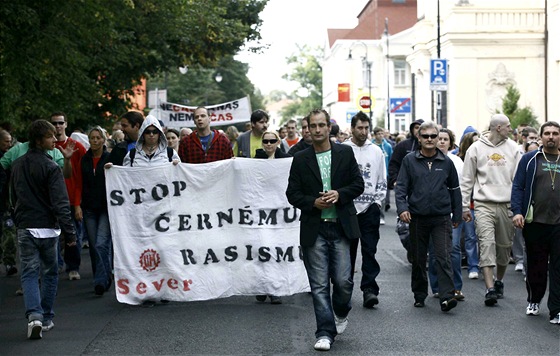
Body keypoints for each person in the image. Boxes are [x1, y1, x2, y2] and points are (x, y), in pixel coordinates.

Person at [286, 109, 364, 351]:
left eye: (322, 125)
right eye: (313, 126)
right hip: (315, 227)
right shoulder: (300, 159)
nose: (318, 130)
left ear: (329, 127)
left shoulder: (344, 152)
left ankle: (341, 311)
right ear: (307, 128)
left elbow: (358, 184)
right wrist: (312, 203)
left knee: (343, 281)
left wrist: (340, 194)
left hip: (341, 226)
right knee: (319, 284)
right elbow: (292, 193)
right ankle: (324, 332)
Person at [10, 120, 77, 339]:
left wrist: (16, 217)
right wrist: (70, 233)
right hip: (48, 228)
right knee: (49, 272)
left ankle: (34, 316)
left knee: (29, 273)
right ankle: (46, 317)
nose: (54, 140)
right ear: (40, 140)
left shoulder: (18, 164)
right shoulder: (51, 166)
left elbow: (13, 196)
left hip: (25, 225)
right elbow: (60, 201)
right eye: (50, 137)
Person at [395, 121, 461, 312]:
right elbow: (401, 188)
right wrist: (402, 209)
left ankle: (447, 296)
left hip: (441, 218)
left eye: (434, 136)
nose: (430, 140)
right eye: (426, 136)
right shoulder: (409, 160)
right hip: (417, 217)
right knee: (418, 258)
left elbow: (455, 189)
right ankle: (419, 294)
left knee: (443, 257)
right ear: (419, 138)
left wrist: (457, 214)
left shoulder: (446, 162)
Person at [461, 114, 521, 306]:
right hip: (483, 204)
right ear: (497, 128)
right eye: (508, 126)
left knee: (504, 249)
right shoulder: (476, 148)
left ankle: (499, 280)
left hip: (507, 204)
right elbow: (467, 180)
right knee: (486, 244)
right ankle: (489, 289)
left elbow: (519, 182)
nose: (511, 129)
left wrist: (518, 207)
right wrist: (464, 206)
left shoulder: (514, 149)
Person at [511, 121, 560, 324]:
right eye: (547, 133)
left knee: (558, 268)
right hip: (535, 221)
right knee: (536, 266)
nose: (551, 137)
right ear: (540, 137)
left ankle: (556, 309)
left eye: (555, 133)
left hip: (558, 224)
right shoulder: (530, 159)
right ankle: (534, 299)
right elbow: (518, 186)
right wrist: (517, 211)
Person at [343, 112, 386, 308]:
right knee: (347, 251)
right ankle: (345, 288)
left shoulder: (376, 151)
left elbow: (381, 178)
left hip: (369, 208)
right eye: (359, 128)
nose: (363, 132)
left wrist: (377, 202)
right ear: (352, 128)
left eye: (366, 128)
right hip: (348, 208)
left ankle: (369, 289)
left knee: (369, 250)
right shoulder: (342, 150)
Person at [428, 128, 465, 300]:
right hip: (434, 214)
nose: (442, 142)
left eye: (445, 139)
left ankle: (456, 286)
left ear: (450, 143)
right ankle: (436, 286)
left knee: (454, 249)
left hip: (452, 212)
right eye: (439, 138)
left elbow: (461, 188)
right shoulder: (428, 160)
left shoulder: (456, 161)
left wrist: (461, 210)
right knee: (435, 252)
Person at [254, 131, 290, 304]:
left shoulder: (286, 160)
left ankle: (276, 289)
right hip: (261, 212)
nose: (268, 144)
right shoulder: (255, 160)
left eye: (272, 141)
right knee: (262, 250)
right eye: (265, 141)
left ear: (278, 142)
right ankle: (262, 286)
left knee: (277, 251)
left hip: (280, 212)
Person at [50, 112, 87, 281]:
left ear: (66, 124)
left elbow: (82, 176)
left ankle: (73, 267)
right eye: (54, 123)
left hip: (72, 198)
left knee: (74, 236)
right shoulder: (47, 146)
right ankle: (55, 265)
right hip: (51, 199)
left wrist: (79, 202)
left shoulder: (77, 146)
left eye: (60, 123)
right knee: (53, 235)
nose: (57, 126)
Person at [81, 127, 112, 296]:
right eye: (91, 138)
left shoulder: (109, 158)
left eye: (97, 138)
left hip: (106, 208)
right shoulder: (84, 159)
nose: (94, 141)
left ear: (103, 140)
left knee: (102, 243)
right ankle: (103, 276)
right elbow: (79, 181)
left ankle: (101, 280)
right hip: (89, 207)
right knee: (94, 246)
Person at [388, 119, 424, 260]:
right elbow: (394, 165)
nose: (418, 130)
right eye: (416, 127)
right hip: (405, 191)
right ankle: (411, 249)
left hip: (422, 193)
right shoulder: (404, 146)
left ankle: (420, 254)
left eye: (421, 127)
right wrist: (395, 180)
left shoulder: (430, 147)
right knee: (404, 227)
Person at [457, 131, 480, 279]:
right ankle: (473, 265)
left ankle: (484, 265)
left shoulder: (483, 157)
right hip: (467, 203)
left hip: (481, 202)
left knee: (484, 237)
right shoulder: (459, 159)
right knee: (470, 236)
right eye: (474, 141)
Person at [372, 126, 393, 223]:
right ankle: (374, 214)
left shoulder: (387, 146)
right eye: (379, 134)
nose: (381, 136)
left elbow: (391, 160)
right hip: (373, 174)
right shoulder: (371, 145)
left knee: (382, 195)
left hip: (385, 174)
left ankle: (381, 216)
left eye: (382, 134)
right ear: (375, 135)